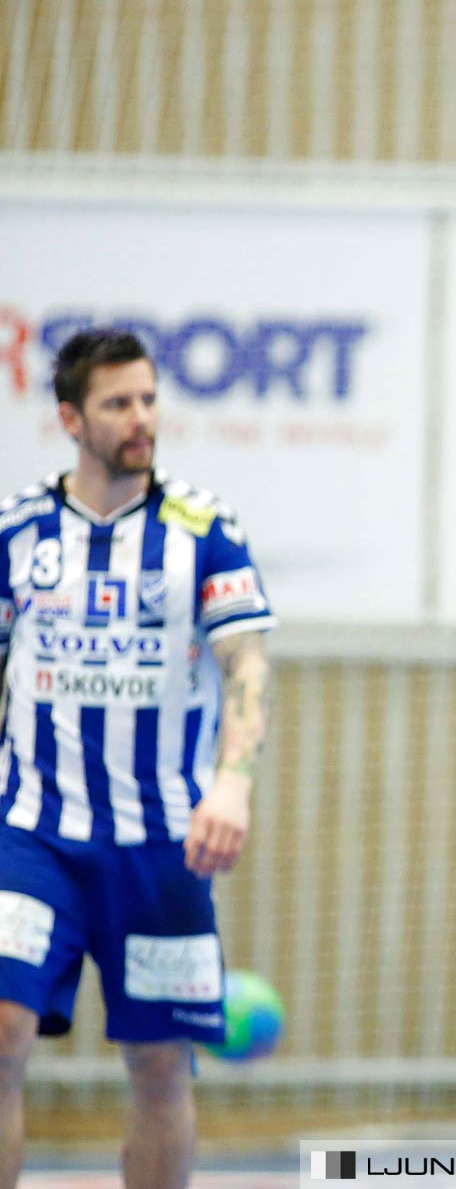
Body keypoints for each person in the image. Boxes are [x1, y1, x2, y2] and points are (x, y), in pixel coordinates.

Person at [0, 329, 276, 1189]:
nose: (141, 418)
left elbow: (246, 664)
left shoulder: (203, 528)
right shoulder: (18, 531)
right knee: (1, 1033)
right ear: (71, 418)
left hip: (162, 844)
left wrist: (230, 783)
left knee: (160, 1066)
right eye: (119, 403)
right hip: (33, 833)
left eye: (150, 399)